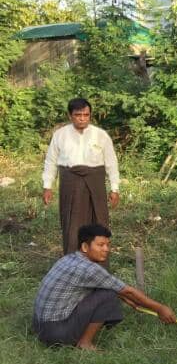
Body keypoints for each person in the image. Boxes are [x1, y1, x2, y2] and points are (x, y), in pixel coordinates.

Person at [32, 224, 176, 350]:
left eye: (108, 245)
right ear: (85, 246)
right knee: (108, 295)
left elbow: (114, 288)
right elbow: (128, 291)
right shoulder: (90, 269)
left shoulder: (68, 259)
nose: (106, 249)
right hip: (56, 333)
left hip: (39, 327)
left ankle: (79, 337)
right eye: (101, 245)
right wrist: (160, 308)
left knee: (110, 291)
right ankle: (85, 344)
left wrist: (125, 297)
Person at [43, 98, 120, 254]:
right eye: (78, 115)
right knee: (71, 224)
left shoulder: (101, 135)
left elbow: (112, 163)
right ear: (70, 115)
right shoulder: (60, 135)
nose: (82, 118)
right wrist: (47, 186)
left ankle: (98, 263)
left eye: (86, 115)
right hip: (70, 182)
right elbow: (50, 161)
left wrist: (115, 188)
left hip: (95, 182)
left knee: (99, 221)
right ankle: (72, 262)